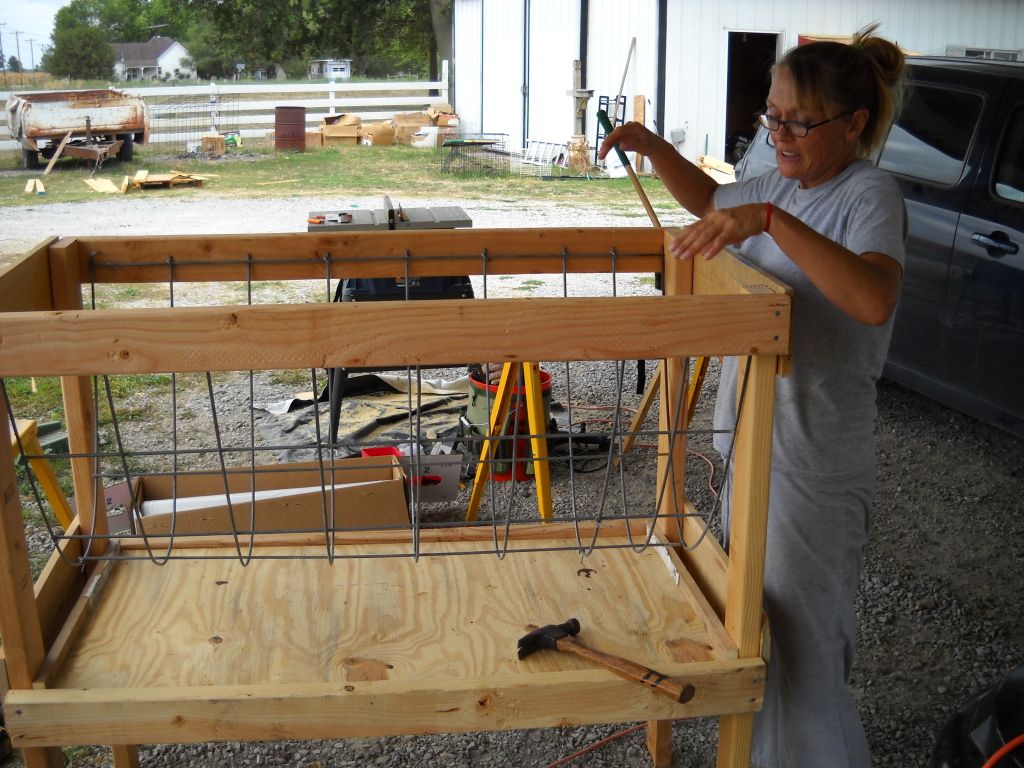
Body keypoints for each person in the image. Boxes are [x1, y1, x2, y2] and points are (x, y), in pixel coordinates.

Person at [599, 24, 906, 768]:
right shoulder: (775, 181)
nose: (780, 133)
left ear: (854, 124)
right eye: (772, 117)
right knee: (758, 627)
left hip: (816, 460)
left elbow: (871, 298)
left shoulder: (868, 195)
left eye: (799, 121)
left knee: (805, 641)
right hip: (756, 444)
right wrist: (653, 147)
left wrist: (770, 221)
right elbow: (712, 198)